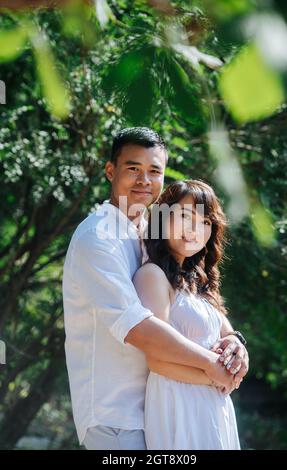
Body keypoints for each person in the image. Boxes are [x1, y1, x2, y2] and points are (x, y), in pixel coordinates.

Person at [62, 127, 248, 450]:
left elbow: (197, 300)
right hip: (116, 415)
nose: (144, 180)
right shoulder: (97, 238)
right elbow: (138, 327)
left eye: (154, 171)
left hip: (158, 410)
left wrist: (234, 341)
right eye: (133, 168)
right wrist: (211, 367)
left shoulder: (152, 233)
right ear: (110, 171)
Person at [134, 179, 241, 449]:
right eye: (185, 216)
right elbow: (157, 359)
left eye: (206, 222)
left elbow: (227, 333)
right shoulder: (152, 276)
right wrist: (215, 376)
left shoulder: (197, 282)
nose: (195, 229)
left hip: (212, 404)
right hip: (178, 403)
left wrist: (239, 347)